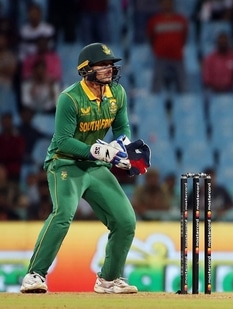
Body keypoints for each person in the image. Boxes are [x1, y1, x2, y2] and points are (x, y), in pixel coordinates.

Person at [19, 42, 150, 294]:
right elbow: (62, 140)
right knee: (63, 214)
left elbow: (122, 127)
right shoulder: (69, 98)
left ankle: (109, 280)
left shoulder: (117, 93)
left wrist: (123, 149)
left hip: (94, 165)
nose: (109, 69)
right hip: (64, 162)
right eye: (103, 65)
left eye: (111, 64)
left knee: (125, 221)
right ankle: (34, 275)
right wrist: (98, 150)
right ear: (86, 69)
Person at [146, 0, 189, 93]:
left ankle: (183, 105)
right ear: (160, 4)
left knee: (183, 87)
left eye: (169, 2)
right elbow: (151, 38)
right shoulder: (154, 21)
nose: (167, 4)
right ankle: (155, 105)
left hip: (177, 57)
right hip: (161, 58)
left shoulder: (181, 20)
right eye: (164, 2)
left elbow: (184, 37)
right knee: (156, 87)